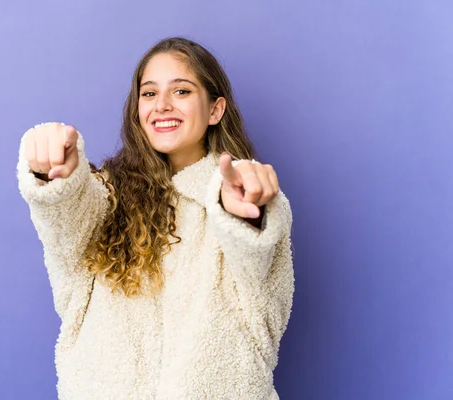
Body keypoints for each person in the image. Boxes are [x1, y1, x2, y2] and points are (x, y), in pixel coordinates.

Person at [17, 37, 294, 400]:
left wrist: (247, 216)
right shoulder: (103, 198)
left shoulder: (238, 194)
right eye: (148, 94)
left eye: (181, 91)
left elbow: (260, 269)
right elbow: (67, 217)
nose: (161, 105)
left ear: (215, 110)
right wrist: (57, 176)